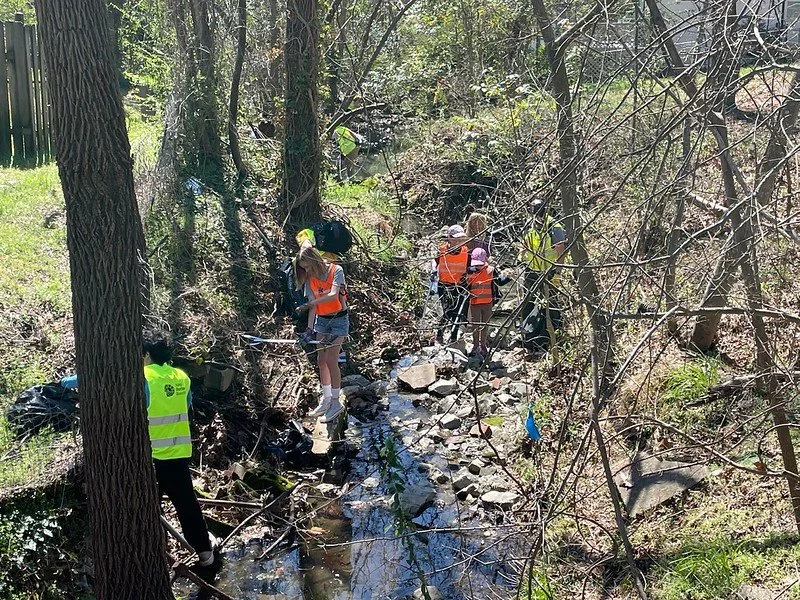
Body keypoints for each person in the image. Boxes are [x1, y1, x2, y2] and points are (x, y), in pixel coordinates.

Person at [61, 329, 216, 568]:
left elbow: (100, 377)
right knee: (187, 505)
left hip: (147, 458)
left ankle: (150, 560)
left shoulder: (141, 377)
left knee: (144, 508)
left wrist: (65, 383)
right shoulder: (182, 378)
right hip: (178, 455)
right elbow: (185, 406)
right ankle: (206, 555)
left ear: (145, 353)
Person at [295, 246, 348, 423]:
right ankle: (325, 399)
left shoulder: (336, 270)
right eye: (304, 268)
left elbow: (333, 296)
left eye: (308, 266)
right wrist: (310, 329)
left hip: (339, 321)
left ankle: (336, 402)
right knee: (321, 360)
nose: (307, 271)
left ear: (314, 260)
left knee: (332, 359)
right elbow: (313, 306)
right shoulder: (310, 279)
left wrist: (309, 305)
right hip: (322, 320)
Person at [518, 199, 567, 338]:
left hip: (549, 271)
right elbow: (524, 243)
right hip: (532, 269)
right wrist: (520, 258)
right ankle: (527, 335)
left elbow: (561, 250)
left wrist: (558, 272)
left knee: (551, 303)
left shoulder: (553, 226)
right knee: (528, 302)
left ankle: (553, 334)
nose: (537, 216)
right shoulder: (530, 225)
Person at [466, 247, 510, 357]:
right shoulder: (470, 271)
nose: (478, 266)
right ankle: (476, 345)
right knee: (475, 325)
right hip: (474, 302)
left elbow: (498, 282)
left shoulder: (491, 270)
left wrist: (508, 277)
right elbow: (465, 285)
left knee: (485, 325)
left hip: (488, 302)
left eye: (480, 263)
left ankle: (483, 345)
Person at [433, 224, 471, 344]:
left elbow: (469, 268)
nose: (458, 241)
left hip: (459, 286)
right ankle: (440, 333)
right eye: (455, 239)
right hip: (444, 285)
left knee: (457, 312)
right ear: (449, 237)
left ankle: (453, 336)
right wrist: (434, 271)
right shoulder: (442, 250)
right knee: (448, 310)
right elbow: (434, 263)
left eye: (460, 239)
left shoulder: (466, 251)